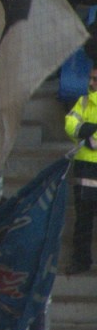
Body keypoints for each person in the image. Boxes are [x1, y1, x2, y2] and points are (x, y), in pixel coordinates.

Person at [65, 68, 97, 274]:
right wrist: (87, 131)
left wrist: (90, 135)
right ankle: (81, 261)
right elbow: (70, 124)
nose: (91, 82)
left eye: (96, 79)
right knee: (83, 220)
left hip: (87, 165)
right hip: (85, 168)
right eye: (91, 78)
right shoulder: (84, 101)